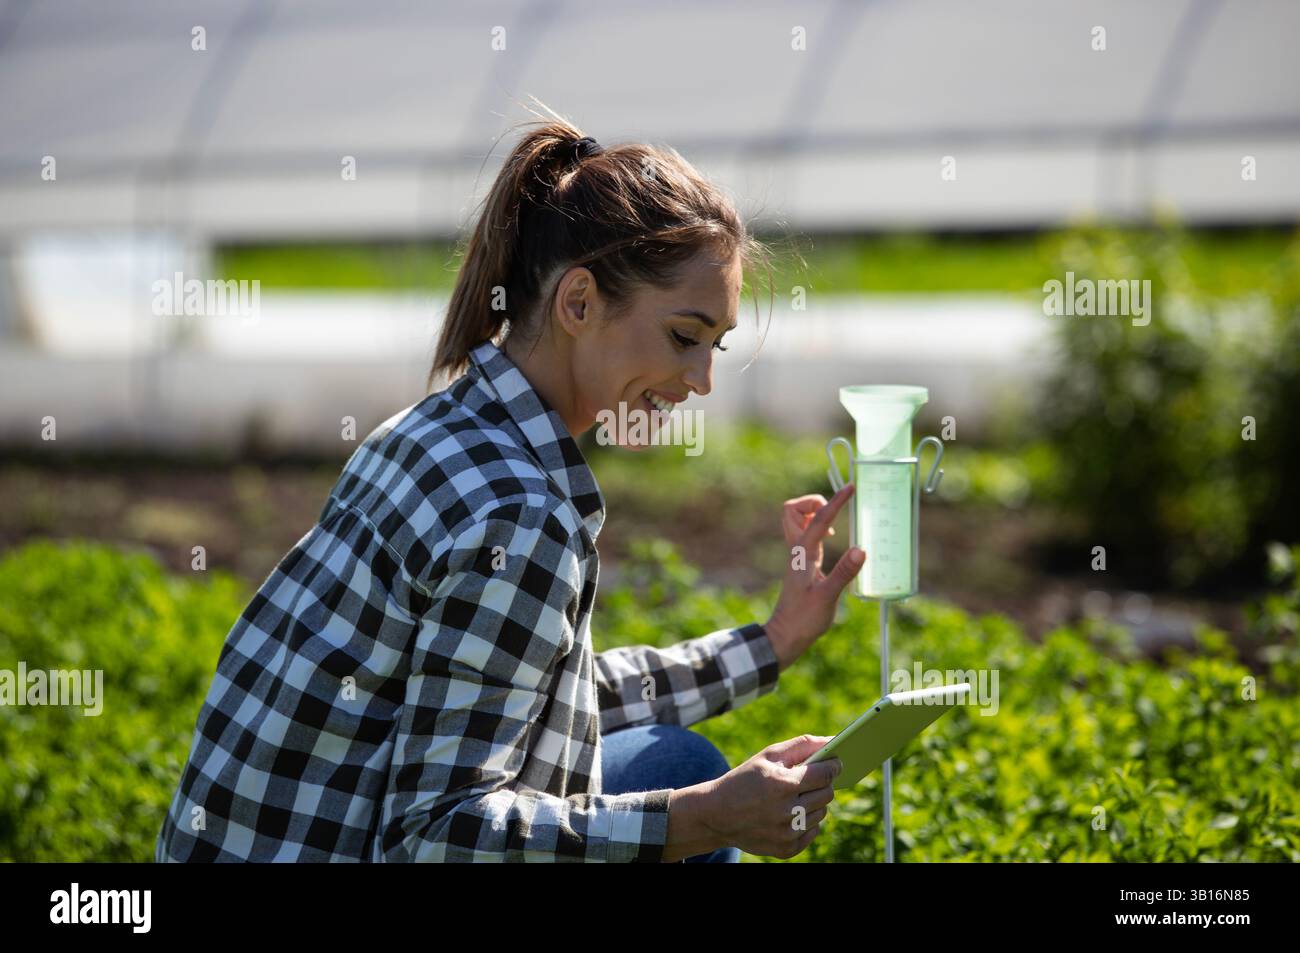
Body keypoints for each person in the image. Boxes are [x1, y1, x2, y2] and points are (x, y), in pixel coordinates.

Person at [155, 104, 865, 863]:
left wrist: (775, 641)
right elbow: (438, 833)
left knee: (669, 761)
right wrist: (701, 821)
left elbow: (542, 693)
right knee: (682, 786)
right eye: (684, 337)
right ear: (579, 302)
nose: (702, 380)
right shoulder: (521, 516)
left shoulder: (436, 429)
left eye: (716, 345)